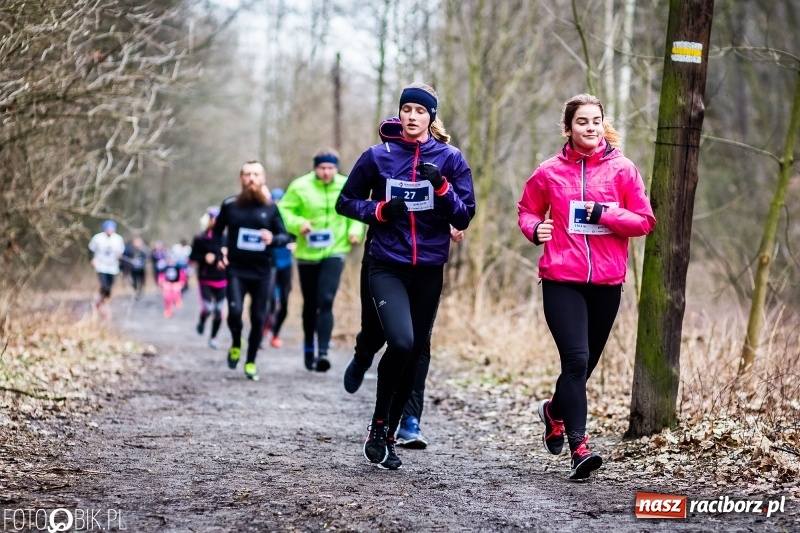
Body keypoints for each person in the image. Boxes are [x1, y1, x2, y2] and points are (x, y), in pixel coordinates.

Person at [336, 83, 475, 470]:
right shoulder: (377, 157)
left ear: (432, 117)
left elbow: (464, 215)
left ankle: (386, 431)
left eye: (420, 110)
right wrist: (380, 210)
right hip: (386, 263)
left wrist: (442, 187)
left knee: (413, 354)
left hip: (428, 269)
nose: (412, 116)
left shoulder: (449, 158)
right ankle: (379, 419)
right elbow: (344, 202)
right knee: (399, 341)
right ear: (399, 114)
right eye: (406, 109)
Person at [517, 93, 656, 480]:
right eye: (582, 122)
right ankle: (580, 448)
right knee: (576, 361)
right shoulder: (549, 171)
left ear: (603, 124)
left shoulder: (622, 170)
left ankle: (553, 411)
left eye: (596, 120)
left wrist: (607, 213)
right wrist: (535, 228)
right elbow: (527, 209)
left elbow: (644, 221)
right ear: (568, 128)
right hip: (562, 278)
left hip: (607, 283)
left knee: (585, 365)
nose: (590, 127)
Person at [343, 225, 465, 449]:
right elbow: (356, 199)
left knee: (417, 342)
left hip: (426, 261)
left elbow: (459, 200)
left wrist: (451, 219)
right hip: (383, 256)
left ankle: (409, 419)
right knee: (375, 332)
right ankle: (363, 353)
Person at [278, 149, 365, 372]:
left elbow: (356, 211)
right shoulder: (300, 186)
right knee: (311, 304)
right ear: (315, 167)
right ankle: (309, 345)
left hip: (335, 250)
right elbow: (283, 212)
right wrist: (299, 224)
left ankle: (323, 352)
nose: (326, 172)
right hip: (307, 253)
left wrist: (355, 231)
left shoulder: (346, 184)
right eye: (322, 168)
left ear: (336, 168)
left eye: (331, 168)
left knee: (326, 299)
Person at [213, 160, 290, 381]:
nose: (252, 179)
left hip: (262, 272)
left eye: (256, 175)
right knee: (235, 313)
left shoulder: (270, 208)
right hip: (236, 269)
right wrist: (220, 253)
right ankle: (237, 342)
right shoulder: (230, 206)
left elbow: (285, 237)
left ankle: (250, 361)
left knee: (258, 317)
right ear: (241, 179)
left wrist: (272, 238)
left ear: (263, 179)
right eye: (247, 174)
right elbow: (217, 233)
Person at [190, 206, 227, 349]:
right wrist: (204, 257)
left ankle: (213, 338)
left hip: (222, 279)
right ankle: (202, 321)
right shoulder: (200, 238)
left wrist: (225, 260)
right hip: (205, 278)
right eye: (214, 219)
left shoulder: (225, 238)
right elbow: (192, 257)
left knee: (218, 310)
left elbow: (231, 257)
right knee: (208, 308)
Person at [263, 188, 294, 348]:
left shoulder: (290, 218)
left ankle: (275, 334)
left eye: (279, 200)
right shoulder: (267, 216)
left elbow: (297, 235)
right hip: (270, 264)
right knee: (269, 300)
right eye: (273, 200)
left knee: (284, 302)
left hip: (286, 264)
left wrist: (296, 244)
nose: (277, 203)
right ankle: (262, 331)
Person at [87, 219, 126, 319]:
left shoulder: (118, 239)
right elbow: (90, 250)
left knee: (109, 288)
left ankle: (100, 303)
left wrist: (120, 262)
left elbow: (121, 253)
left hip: (113, 267)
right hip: (101, 266)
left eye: (112, 229)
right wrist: (92, 260)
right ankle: (100, 303)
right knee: (104, 286)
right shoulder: (98, 238)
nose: (110, 230)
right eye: (108, 229)